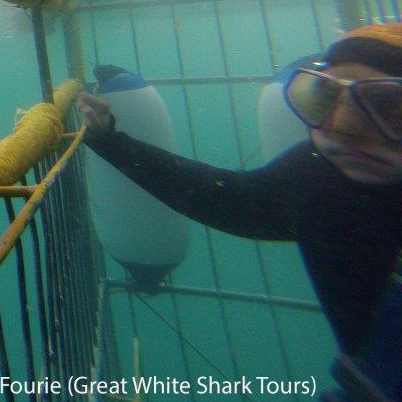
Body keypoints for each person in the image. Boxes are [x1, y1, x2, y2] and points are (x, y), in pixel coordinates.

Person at [76, 22, 402, 357]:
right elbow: (224, 199)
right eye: (326, 97)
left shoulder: (322, 174)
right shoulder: (318, 175)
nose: (344, 126)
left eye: (388, 105)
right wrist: (109, 141)